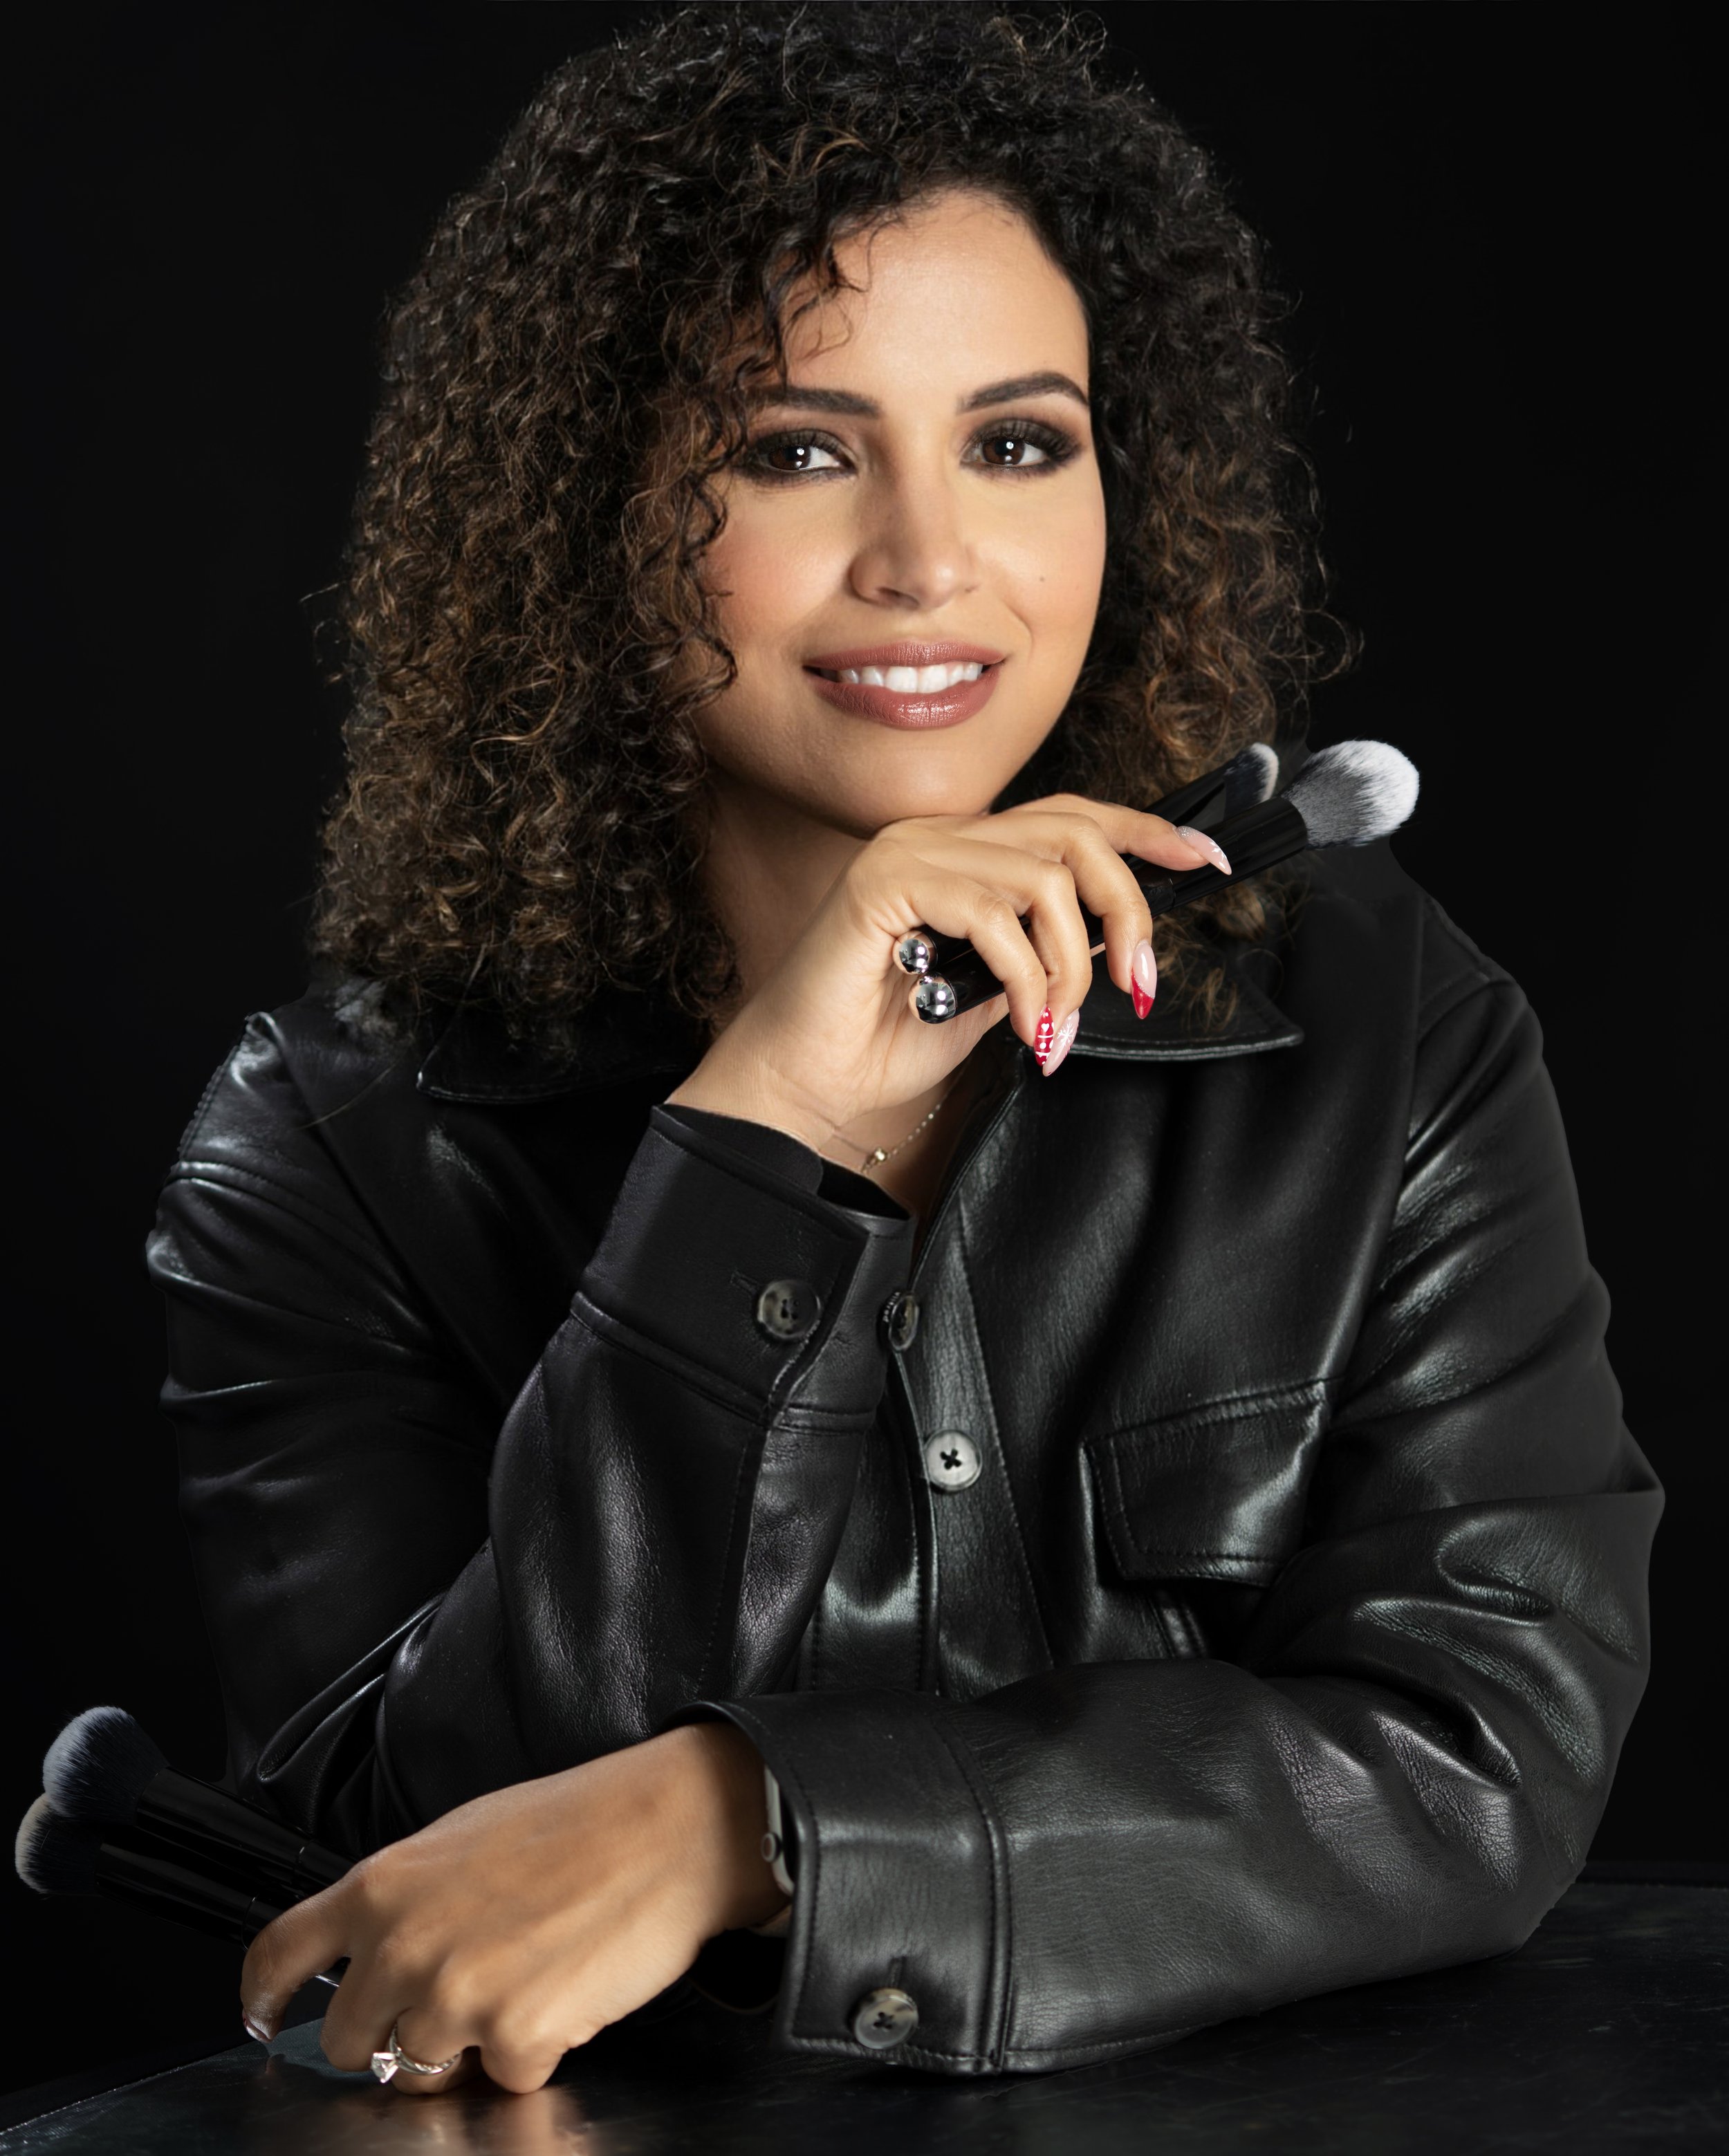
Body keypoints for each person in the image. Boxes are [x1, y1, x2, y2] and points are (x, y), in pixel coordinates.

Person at [145, 1, 1659, 2096]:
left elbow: (1479, 1747)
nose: (931, 564)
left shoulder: (1378, 1021)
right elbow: (406, 1879)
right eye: (793, 449)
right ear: (589, 499)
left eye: (1018, 442)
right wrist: (761, 1142)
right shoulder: (317, 1144)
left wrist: (744, 1820)